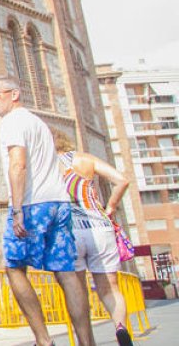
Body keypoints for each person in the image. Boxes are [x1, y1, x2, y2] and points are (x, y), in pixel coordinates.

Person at [0, 76, 94, 346]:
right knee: (66, 273)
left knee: (14, 268)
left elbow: (18, 165)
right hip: (58, 203)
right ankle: (86, 342)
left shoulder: (12, 122)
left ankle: (44, 341)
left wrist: (18, 209)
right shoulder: (38, 123)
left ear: (15, 94)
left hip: (32, 204)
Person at [51, 128, 134, 346]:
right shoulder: (85, 159)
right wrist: (111, 207)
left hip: (71, 231)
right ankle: (121, 327)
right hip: (99, 227)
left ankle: (85, 341)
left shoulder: (47, 166)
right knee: (110, 287)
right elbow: (122, 181)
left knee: (76, 290)